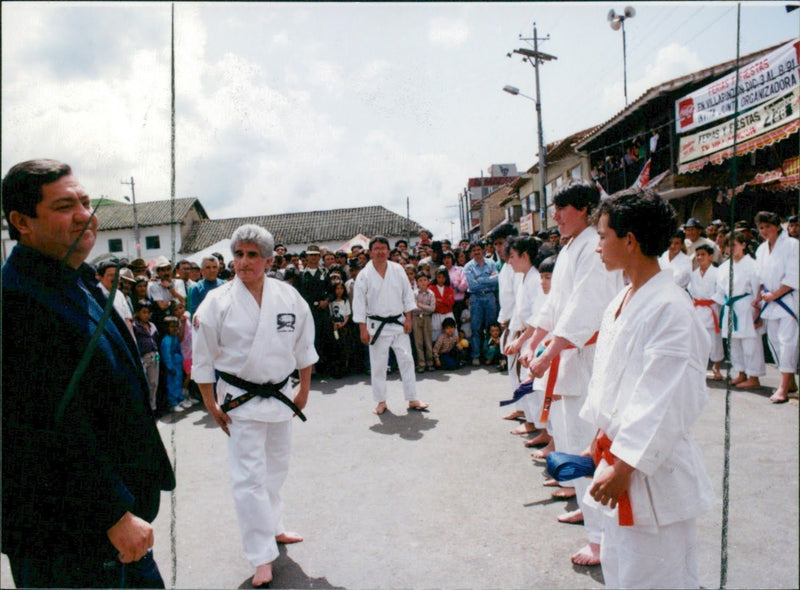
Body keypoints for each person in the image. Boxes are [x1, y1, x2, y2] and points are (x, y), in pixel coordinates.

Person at [2, 159, 174, 587]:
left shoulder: (75, 280)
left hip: (106, 524)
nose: (85, 215)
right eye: (64, 206)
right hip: (67, 533)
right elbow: (35, 428)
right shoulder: (17, 302)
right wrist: (112, 512)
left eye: (84, 201)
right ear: (22, 221)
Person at [581, 189, 715, 589]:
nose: (597, 248)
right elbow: (611, 377)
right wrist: (599, 432)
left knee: (659, 577)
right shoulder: (623, 298)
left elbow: (667, 397)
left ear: (630, 240)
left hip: (651, 469)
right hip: (617, 456)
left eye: (602, 236)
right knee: (623, 573)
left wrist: (624, 463)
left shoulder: (671, 307)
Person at [192, 224, 317, 588]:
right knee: (248, 480)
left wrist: (304, 389)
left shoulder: (289, 297)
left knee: (276, 470)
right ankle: (261, 555)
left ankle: (274, 527)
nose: (243, 262)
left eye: (252, 255)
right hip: (240, 402)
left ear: (268, 259)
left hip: (280, 398)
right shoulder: (216, 301)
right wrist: (210, 402)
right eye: (239, 254)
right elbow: (202, 359)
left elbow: (304, 348)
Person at [519, 180, 624, 566]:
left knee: (586, 441)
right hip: (566, 353)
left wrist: (550, 351)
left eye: (562, 209)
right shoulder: (568, 250)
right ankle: (586, 508)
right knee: (567, 437)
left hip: (588, 355)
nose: (556, 217)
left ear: (582, 210)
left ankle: (600, 539)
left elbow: (583, 307)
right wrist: (534, 337)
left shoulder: (591, 248)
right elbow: (554, 305)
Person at [352, 235, 429, 415]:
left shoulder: (398, 269)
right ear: (370, 252)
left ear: (388, 251)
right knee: (378, 365)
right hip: (376, 326)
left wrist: (408, 318)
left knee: (407, 360)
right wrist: (362, 329)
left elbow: (407, 295)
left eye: (383, 248)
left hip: (398, 322)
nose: (380, 252)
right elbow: (359, 304)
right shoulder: (364, 275)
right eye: (376, 248)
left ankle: (412, 398)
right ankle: (381, 401)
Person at [753, 211, 799, 403]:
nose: (764, 231)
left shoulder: (792, 245)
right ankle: (790, 382)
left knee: (787, 342)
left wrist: (775, 294)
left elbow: (793, 276)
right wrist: (759, 297)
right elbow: (760, 276)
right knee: (774, 341)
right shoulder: (761, 249)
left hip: (787, 298)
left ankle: (782, 387)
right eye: (761, 227)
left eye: (767, 226)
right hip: (769, 301)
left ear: (777, 226)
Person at [714, 232, 765, 388]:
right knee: (733, 342)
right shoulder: (723, 267)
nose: (731, 248)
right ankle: (741, 373)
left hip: (747, 305)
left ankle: (754, 377)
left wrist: (758, 312)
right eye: (728, 245)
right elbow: (720, 291)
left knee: (750, 342)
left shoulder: (752, 265)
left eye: (734, 244)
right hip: (730, 306)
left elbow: (758, 289)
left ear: (743, 245)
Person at [689, 244, 724, 380]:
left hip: (712, 308)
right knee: (698, 341)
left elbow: (721, 291)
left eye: (703, 254)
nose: (699, 257)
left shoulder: (717, 272)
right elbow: (691, 291)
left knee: (714, 341)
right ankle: (700, 367)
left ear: (710, 256)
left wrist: (709, 301)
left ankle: (716, 366)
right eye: (697, 255)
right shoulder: (694, 274)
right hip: (697, 309)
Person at [299, 244, 332, 377]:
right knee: (310, 339)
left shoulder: (325, 272)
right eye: (310, 255)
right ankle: (312, 370)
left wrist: (327, 301)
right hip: (308, 312)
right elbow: (298, 294)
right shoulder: (301, 274)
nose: (313, 258)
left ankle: (324, 368)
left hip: (323, 311)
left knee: (325, 338)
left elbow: (332, 291)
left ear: (319, 257)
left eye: (315, 255)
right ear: (306, 257)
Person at [464, 241, 499, 365]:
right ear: (471, 253)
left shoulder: (491, 263)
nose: (477, 252)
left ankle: (491, 354)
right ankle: (476, 355)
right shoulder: (468, 267)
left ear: (483, 250)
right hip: (476, 298)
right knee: (476, 328)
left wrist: (481, 279)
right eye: (474, 250)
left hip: (490, 297)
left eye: (478, 249)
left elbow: (496, 279)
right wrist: (488, 279)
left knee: (492, 327)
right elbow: (472, 285)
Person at [132, 301, 160, 412]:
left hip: (154, 357)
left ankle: (152, 407)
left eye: (148, 312)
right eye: (144, 312)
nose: (146, 315)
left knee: (154, 383)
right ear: (138, 313)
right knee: (144, 384)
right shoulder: (135, 326)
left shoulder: (152, 326)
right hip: (143, 357)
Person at [160, 316, 185, 413]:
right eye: (172, 326)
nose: (175, 329)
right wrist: (170, 367)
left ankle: (179, 399)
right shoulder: (166, 340)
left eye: (176, 326)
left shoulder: (175, 338)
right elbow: (166, 355)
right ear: (167, 328)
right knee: (171, 384)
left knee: (178, 383)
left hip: (177, 364)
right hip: (172, 367)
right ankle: (173, 403)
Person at [412, 272, 436, 372]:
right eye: (420, 280)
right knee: (419, 342)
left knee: (428, 341)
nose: (422, 282)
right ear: (417, 283)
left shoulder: (431, 294)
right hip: (416, 318)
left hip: (427, 318)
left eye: (425, 280)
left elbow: (432, 308)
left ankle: (430, 362)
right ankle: (421, 363)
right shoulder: (414, 294)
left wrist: (421, 306)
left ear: (428, 281)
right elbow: (413, 307)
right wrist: (423, 307)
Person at [430, 266, 456, 343]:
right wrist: (445, 300)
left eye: (443, 277)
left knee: (451, 336)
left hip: (448, 314)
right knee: (436, 337)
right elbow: (433, 304)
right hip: (437, 315)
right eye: (439, 277)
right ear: (436, 277)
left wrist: (440, 300)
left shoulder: (449, 288)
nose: (441, 279)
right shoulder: (431, 288)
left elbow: (451, 303)